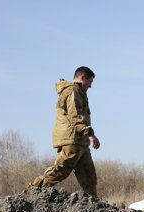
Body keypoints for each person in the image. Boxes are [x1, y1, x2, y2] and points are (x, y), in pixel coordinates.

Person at [28, 66, 101, 195]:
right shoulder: (73, 91)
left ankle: (94, 205)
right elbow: (75, 115)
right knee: (61, 170)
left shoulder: (80, 92)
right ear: (83, 78)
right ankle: (32, 192)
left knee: (89, 176)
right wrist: (90, 134)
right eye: (90, 82)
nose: (90, 87)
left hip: (81, 141)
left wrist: (88, 136)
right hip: (72, 140)